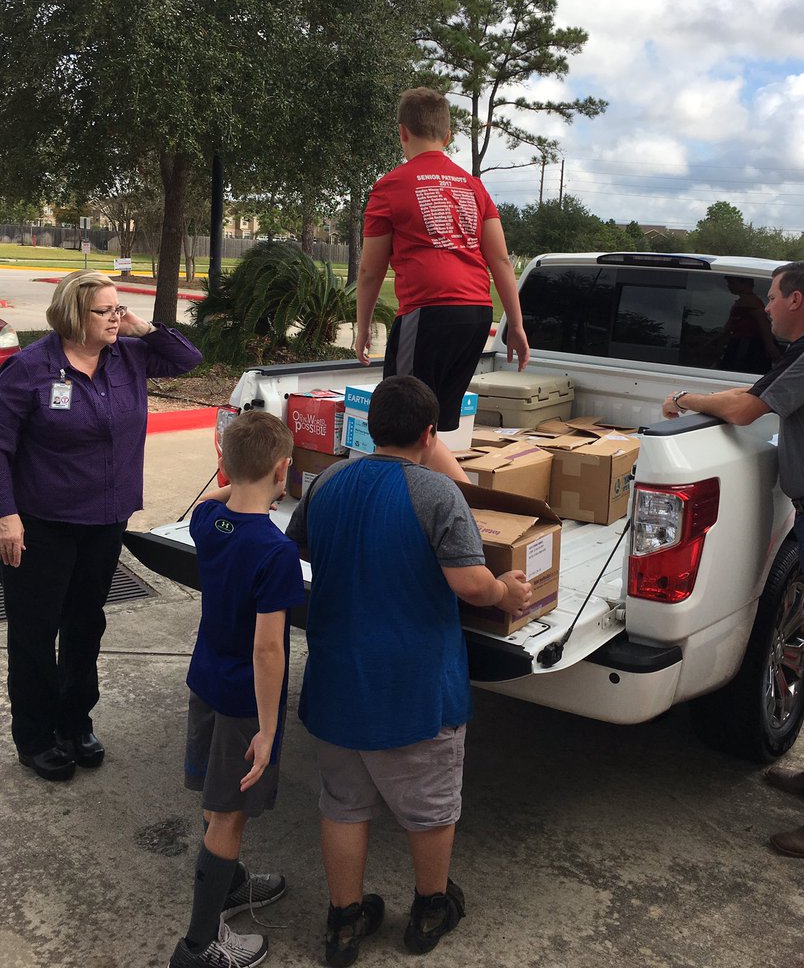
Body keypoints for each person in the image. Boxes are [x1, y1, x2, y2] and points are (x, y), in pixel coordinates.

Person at [286, 375, 533, 964]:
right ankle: (429, 907)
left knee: (343, 803)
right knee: (429, 807)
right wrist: (507, 592)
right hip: (415, 684)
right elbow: (470, 584)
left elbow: (300, 548)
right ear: (430, 434)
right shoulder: (437, 493)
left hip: (339, 675)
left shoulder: (327, 481)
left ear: (370, 429)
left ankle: (343, 921)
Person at [662, 261, 804, 858]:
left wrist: (684, 400)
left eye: (770, 298)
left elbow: (745, 409)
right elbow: (760, 399)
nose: (765, 308)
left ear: (796, 299)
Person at [0, 270, 202, 782]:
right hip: (41, 523)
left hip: (105, 518)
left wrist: (140, 326)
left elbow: (188, 360)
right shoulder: (29, 369)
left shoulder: (128, 357)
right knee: (34, 631)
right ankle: (36, 734)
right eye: (105, 311)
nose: (115, 317)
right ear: (72, 314)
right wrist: (6, 516)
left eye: (118, 308)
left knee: (86, 623)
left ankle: (75, 721)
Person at [169, 410, 305, 968]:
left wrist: (242, 483)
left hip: (205, 679)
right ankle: (199, 946)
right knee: (229, 813)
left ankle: (231, 883)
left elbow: (214, 501)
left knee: (213, 795)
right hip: (243, 701)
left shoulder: (208, 523)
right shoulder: (276, 553)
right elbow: (268, 649)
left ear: (224, 466)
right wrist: (270, 729)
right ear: (284, 471)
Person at [354, 87, 530, 481]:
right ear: (447, 136)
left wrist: (364, 328)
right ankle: (459, 500)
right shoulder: (473, 186)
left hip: (428, 312)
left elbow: (370, 271)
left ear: (402, 132)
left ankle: (455, 504)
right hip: (475, 315)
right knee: (426, 427)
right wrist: (514, 325)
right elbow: (500, 259)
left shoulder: (391, 186)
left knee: (399, 426)